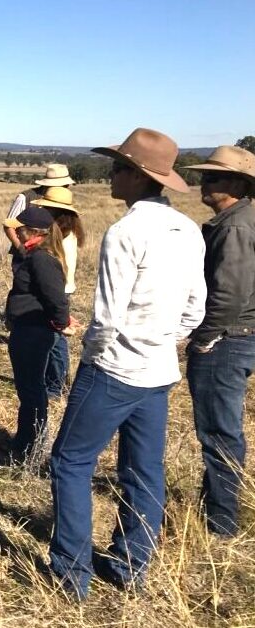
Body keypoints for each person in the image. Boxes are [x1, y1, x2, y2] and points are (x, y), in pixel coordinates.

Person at [49, 128, 205, 600]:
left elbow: (107, 316)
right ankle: (131, 564)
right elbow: (195, 308)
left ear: (138, 177)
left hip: (114, 369)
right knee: (143, 470)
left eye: (118, 168)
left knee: (70, 462)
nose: (111, 175)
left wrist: (95, 356)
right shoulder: (190, 230)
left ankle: (71, 573)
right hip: (159, 372)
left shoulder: (125, 232)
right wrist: (164, 341)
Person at [180, 145, 255, 536]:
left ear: (239, 184)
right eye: (204, 175)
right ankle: (217, 506)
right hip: (238, 336)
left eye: (213, 177)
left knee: (219, 431)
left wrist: (203, 339)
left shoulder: (236, 226)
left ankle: (221, 520)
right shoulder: (237, 219)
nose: (203, 183)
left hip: (227, 340)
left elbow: (228, 293)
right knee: (221, 429)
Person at [2, 205, 71, 464]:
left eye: (19, 229)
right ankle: (26, 441)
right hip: (27, 327)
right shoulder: (35, 255)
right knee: (28, 388)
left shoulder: (41, 258)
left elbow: (56, 298)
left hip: (33, 331)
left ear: (32, 232)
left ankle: (29, 447)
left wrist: (61, 322)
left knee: (31, 389)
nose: (15, 233)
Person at [39, 187, 85, 399]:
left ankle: (55, 388)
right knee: (55, 338)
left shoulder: (60, 234)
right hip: (61, 289)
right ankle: (54, 383)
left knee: (56, 341)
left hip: (57, 290)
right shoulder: (70, 231)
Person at [3, 164, 73, 265]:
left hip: (54, 256)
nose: (66, 187)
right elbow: (8, 225)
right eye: (63, 185)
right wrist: (20, 248)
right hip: (26, 257)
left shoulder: (63, 199)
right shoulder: (25, 197)